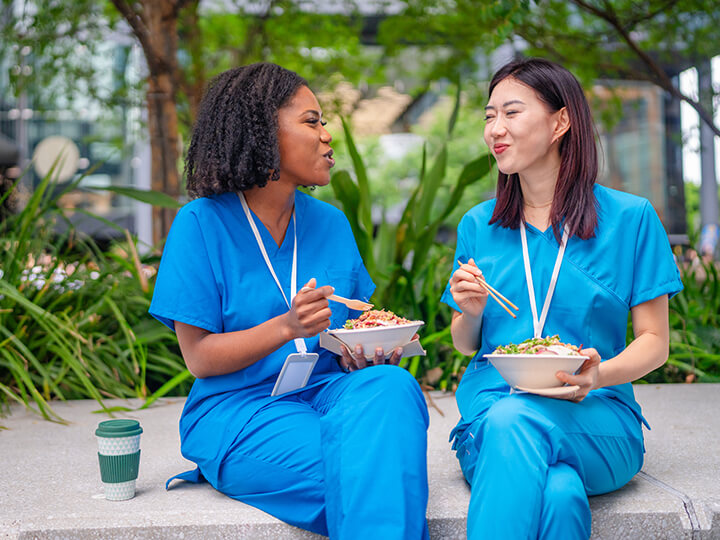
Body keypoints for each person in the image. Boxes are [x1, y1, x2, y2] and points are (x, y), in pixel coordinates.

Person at [150, 63, 430, 539]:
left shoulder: (332, 224)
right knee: (378, 472)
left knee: (390, 385)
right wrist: (286, 327)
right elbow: (198, 358)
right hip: (241, 410)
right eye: (312, 121)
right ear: (262, 132)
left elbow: (345, 341)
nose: (327, 136)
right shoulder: (200, 225)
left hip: (329, 394)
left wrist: (364, 354)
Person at [442, 57, 682, 539]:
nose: (495, 129)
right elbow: (467, 344)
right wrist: (470, 312)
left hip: (595, 417)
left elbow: (655, 342)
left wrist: (599, 374)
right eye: (489, 116)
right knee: (558, 493)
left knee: (517, 423)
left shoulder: (631, 218)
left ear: (561, 121)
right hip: (492, 414)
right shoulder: (477, 224)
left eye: (511, 113)